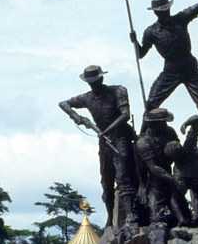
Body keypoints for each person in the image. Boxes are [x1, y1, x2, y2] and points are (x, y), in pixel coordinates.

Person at [131, 0, 198, 149]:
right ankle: (140, 138)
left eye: (166, 9)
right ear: (155, 12)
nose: (164, 13)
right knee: (151, 105)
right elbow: (141, 54)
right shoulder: (151, 32)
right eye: (160, 11)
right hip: (170, 71)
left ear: (169, 9)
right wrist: (135, 43)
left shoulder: (181, 19)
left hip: (190, 68)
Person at [59, 65, 138, 225]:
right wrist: (76, 117)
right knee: (106, 181)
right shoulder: (87, 98)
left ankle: (130, 214)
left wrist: (107, 130)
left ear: (102, 78)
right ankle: (110, 218)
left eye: (95, 81)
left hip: (120, 137)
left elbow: (125, 115)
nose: (93, 84)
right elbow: (63, 103)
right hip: (104, 142)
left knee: (123, 176)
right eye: (90, 82)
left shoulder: (118, 91)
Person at [134, 108, 190, 226]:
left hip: (170, 171)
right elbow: (153, 168)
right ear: (153, 124)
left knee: (184, 210)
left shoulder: (169, 132)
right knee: (157, 217)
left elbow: (177, 151)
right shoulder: (143, 142)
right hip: (154, 178)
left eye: (165, 121)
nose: (165, 124)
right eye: (162, 122)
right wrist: (173, 180)